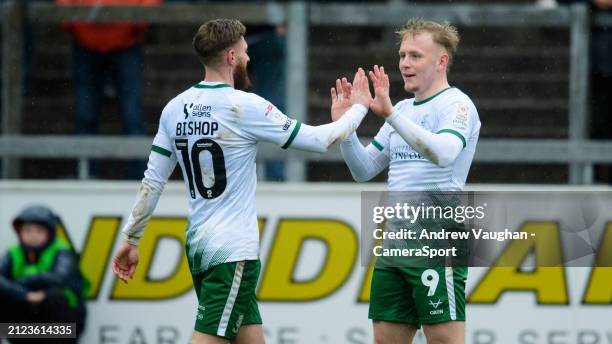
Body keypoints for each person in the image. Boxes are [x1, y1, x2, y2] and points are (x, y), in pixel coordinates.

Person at [111, 19, 371, 344]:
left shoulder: (174, 109)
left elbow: (153, 180)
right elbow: (320, 141)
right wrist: (358, 110)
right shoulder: (244, 106)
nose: (248, 58)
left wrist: (132, 238)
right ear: (232, 57)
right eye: (246, 52)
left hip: (199, 248)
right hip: (232, 252)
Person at [335, 19, 481, 343]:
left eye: (415, 55)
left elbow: (444, 153)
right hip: (395, 247)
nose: (404, 63)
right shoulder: (401, 109)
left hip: (436, 243)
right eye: (402, 55)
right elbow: (363, 170)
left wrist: (391, 116)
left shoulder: (456, 105)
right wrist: (346, 128)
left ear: (441, 61)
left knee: (445, 339)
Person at [56, 0, 160, 179]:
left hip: (126, 42)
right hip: (86, 42)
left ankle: (138, 178)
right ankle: (87, 173)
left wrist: (137, 19)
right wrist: (73, 20)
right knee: (86, 114)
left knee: (132, 116)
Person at [0, 205, 87, 343]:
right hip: (25, 325)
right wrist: (24, 295)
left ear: (50, 233)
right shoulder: (13, 253)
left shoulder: (61, 251)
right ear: (19, 232)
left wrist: (25, 283)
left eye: (39, 231)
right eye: (27, 230)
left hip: (64, 326)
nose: (33, 235)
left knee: (55, 298)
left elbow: (60, 278)